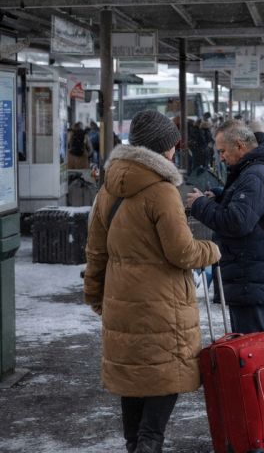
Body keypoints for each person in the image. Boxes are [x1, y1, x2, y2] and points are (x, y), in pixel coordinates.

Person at [84, 110, 221, 453]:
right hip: (162, 302)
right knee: (166, 375)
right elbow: (182, 252)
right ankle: (149, 441)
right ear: (163, 148)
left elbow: (95, 251)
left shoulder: (108, 189)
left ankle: (135, 443)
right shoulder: (161, 191)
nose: (176, 149)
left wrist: (95, 295)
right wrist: (212, 250)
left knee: (134, 377)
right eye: (173, 143)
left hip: (120, 299)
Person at [186, 120, 264, 337]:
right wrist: (222, 195)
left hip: (251, 275)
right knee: (254, 345)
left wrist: (199, 205)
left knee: (256, 347)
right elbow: (250, 209)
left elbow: (237, 222)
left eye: (223, 151)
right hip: (251, 274)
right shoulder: (255, 171)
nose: (221, 157)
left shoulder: (255, 175)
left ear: (240, 146)